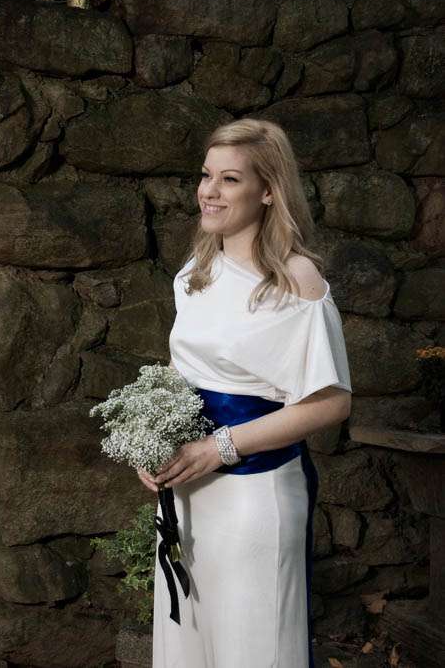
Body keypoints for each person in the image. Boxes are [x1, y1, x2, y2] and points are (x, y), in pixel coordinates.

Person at [137, 117, 352, 668]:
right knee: (188, 645)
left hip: (253, 498)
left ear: (269, 191)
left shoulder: (296, 280)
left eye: (229, 179)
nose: (209, 191)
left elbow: (333, 401)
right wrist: (150, 445)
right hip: (187, 492)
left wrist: (221, 447)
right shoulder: (196, 270)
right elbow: (181, 370)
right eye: (206, 175)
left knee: (252, 649)